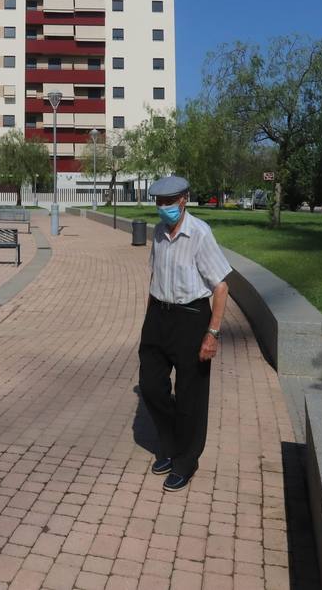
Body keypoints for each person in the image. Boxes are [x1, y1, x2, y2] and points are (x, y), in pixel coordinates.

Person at [138, 174, 232, 492]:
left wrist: (212, 334)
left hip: (191, 318)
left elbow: (221, 287)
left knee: (191, 395)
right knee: (151, 386)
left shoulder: (200, 234)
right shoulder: (159, 233)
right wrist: (148, 320)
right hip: (158, 315)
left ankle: (185, 461)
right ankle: (171, 442)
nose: (163, 207)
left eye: (168, 201)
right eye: (158, 202)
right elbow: (155, 275)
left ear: (184, 199)